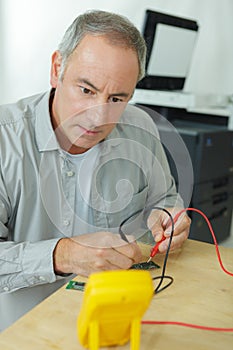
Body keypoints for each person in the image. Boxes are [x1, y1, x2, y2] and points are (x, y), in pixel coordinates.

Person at [0, 10, 191, 330]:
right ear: (57, 68)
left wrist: (169, 216)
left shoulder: (141, 127)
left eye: (117, 98)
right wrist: (63, 255)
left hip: (119, 318)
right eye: (86, 90)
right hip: (24, 332)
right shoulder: (5, 138)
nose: (98, 116)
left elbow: (165, 199)